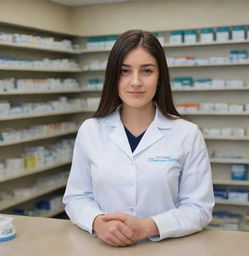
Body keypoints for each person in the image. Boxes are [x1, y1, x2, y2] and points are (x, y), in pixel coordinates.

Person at [63, 29, 215, 247]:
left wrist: (148, 226)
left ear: (160, 76)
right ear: (113, 76)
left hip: (166, 248)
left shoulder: (187, 134)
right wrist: (97, 222)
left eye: (146, 71)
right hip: (103, 248)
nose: (135, 82)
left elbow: (199, 208)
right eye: (125, 71)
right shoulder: (90, 130)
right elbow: (76, 197)